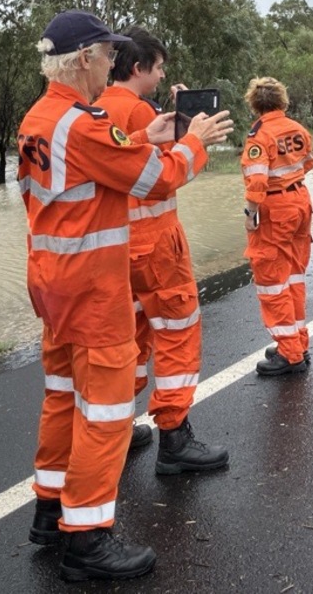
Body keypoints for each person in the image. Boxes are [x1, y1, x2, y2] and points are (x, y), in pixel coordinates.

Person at [17, 10, 233, 582]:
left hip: (51, 281)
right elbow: (154, 180)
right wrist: (193, 142)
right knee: (108, 413)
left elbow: (84, 170)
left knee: (62, 395)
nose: (114, 65)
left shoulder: (42, 119)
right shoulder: (80, 123)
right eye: (108, 56)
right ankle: (86, 540)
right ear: (84, 57)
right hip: (91, 287)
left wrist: (144, 136)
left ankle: (49, 510)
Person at [94, 28, 229, 475]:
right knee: (176, 331)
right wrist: (198, 138)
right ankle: (174, 437)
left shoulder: (92, 110)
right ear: (139, 68)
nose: (164, 73)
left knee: (126, 339)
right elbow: (171, 172)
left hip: (112, 248)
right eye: (160, 66)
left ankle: (119, 426)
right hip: (156, 246)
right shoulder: (140, 112)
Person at [240, 77, 313, 377]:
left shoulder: (259, 135)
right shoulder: (297, 128)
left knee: (272, 279)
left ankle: (289, 353)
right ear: (282, 101)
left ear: (255, 104)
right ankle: (298, 342)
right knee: (294, 276)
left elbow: (256, 180)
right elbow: (308, 162)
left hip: (275, 207)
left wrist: (251, 213)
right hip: (301, 200)